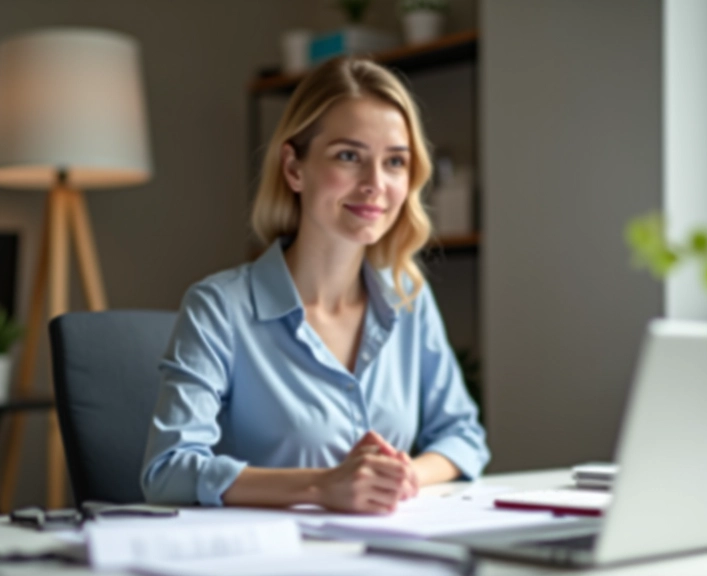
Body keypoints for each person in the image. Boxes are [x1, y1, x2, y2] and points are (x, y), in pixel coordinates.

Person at [141, 57, 489, 514]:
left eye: (395, 162)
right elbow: (168, 470)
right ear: (294, 168)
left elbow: (463, 436)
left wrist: (405, 475)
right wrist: (323, 486)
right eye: (349, 156)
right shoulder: (218, 308)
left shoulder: (408, 298)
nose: (375, 185)